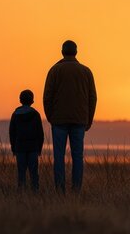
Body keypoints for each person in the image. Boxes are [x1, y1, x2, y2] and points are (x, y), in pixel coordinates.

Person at [43, 40, 97, 192]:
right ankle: (76, 190)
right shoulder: (86, 71)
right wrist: (88, 120)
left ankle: (60, 191)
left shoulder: (54, 70)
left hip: (59, 121)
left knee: (58, 157)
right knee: (77, 157)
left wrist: (51, 117)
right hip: (79, 120)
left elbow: (47, 97)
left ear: (62, 52)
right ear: (76, 52)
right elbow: (93, 97)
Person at [8, 89, 44, 192]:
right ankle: (35, 192)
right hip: (33, 148)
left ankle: (21, 192)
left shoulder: (15, 115)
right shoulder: (35, 114)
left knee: (21, 172)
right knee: (34, 172)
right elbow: (40, 133)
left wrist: (13, 148)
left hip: (20, 148)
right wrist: (39, 148)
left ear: (20, 100)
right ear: (32, 101)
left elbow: (12, 133)